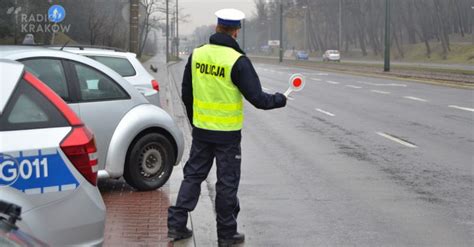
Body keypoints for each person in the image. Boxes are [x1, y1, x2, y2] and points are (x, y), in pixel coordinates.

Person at [167, 8, 287, 246]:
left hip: (202, 131)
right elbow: (258, 99)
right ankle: (226, 234)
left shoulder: (197, 54)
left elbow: (186, 92)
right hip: (227, 136)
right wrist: (279, 99)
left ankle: (176, 224)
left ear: (216, 28)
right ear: (236, 32)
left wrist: (195, 120)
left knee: (192, 176)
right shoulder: (237, 61)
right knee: (226, 183)